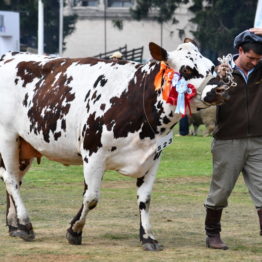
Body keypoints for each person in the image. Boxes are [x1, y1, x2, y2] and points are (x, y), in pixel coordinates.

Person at [204, 28, 262, 250]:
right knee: (221, 190)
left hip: (259, 140)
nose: (255, 63)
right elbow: (205, 98)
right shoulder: (221, 72)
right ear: (240, 50)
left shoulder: (261, 69)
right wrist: (216, 85)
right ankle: (212, 235)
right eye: (251, 58)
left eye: (259, 59)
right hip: (228, 140)